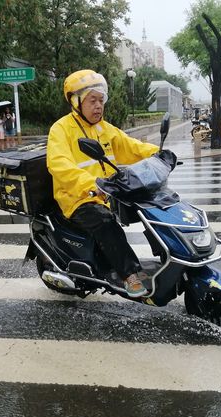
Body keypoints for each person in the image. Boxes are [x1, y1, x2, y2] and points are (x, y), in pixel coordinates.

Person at [46, 69, 159, 298]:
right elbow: (59, 166)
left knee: (149, 206)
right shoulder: (61, 129)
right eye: (92, 100)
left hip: (107, 193)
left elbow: (131, 147)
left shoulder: (104, 128)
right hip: (77, 198)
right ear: (76, 101)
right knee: (105, 221)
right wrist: (92, 183)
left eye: (101, 100)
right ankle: (130, 275)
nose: (98, 106)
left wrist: (159, 155)